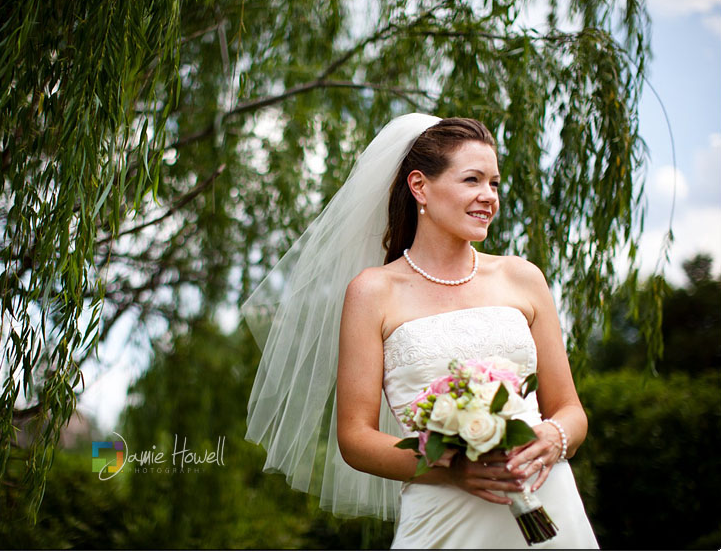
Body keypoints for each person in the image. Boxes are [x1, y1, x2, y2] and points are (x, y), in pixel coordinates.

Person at [243, 113, 598, 548]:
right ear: (420, 187)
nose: (488, 196)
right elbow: (355, 438)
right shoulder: (372, 292)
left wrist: (552, 436)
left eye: (495, 183)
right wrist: (452, 468)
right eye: (472, 180)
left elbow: (570, 411)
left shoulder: (523, 278)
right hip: (443, 519)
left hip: (549, 503)